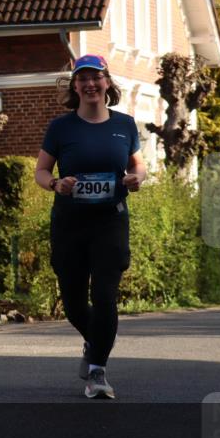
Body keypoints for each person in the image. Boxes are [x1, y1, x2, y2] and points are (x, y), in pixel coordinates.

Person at [34, 54, 146, 399]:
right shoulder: (61, 128)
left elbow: (139, 166)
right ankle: (93, 344)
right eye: (82, 79)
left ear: (107, 83)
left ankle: (98, 370)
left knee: (105, 295)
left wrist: (136, 178)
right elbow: (40, 171)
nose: (90, 84)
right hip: (69, 223)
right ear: (75, 87)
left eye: (96, 77)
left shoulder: (125, 125)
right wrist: (55, 184)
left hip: (110, 221)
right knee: (73, 302)